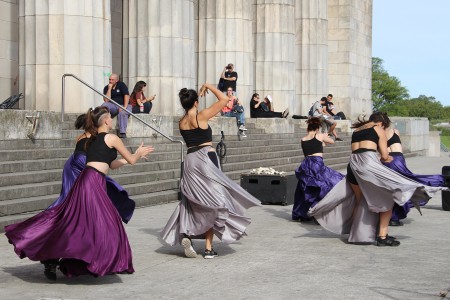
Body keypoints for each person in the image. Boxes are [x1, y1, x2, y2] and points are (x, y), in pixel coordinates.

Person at [5, 106, 154, 280]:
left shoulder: (92, 139)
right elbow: (132, 160)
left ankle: (70, 259)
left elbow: (110, 164)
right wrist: (138, 153)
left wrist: (127, 159)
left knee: (77, 221)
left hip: (88, 180)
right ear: (106, 120)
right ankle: (97, 261)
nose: (112, 121)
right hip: (92, 182)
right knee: (105, 222)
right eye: (110, 118)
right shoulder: (111, 138)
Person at [308, 112, 443, 246]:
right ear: (381, 123)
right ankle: (382, 237)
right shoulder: (378, 129)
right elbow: (384, 155)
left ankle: (357, 234)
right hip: (367, 165)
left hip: (353, 166)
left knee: (359, 200)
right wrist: (387, 158)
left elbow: (357, 151)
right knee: (388, 198)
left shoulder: (357, 131)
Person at [160, 83, 261, 259]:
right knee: (214, 202)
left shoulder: (181, 122)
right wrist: (208, 85)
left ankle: (188, 234)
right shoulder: (202, 116)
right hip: (206, 158)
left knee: (194, 201)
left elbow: (195, 132)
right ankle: (208, 248)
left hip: (190, 161)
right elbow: (225, 99)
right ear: (196, 102)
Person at [47, 113, 136, 224]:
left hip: (73, 163)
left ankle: (69, 221)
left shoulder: (84, 136)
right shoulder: (95, 137)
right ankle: (56, 221)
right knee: (73, 198)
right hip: (81, 163)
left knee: (71, 197)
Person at [380, 113, 446, 226]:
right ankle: (438, 180)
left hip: (387, 160)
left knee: (392, 189)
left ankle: (392, 216)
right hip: (398, 159)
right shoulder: (395, 131)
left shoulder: (378, 134)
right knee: (405, 185)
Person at [292, 117, 344, 221]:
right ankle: (320, 211)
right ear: (317, 129)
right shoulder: (319, 136)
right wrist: (326, 135)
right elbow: (332, 141)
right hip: (316, 164)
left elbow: (315, 146)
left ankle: (303, 213)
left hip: (306, 165)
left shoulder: (303, 139)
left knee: (305, 189)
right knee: (326, 184)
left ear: (308, 129)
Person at [102, 73, 130, 138]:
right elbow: (106, 100)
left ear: (116, 80)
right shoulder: (106, 87)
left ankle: (122, 132)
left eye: (112, 80)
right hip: (113, 105)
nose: (110, 81)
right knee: (104, 106)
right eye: (110, 79)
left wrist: (124, 107)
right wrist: (109, 89)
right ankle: (103, 128)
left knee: (122, 113)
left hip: (123, 104)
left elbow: (126, 95)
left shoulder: (121, 85)